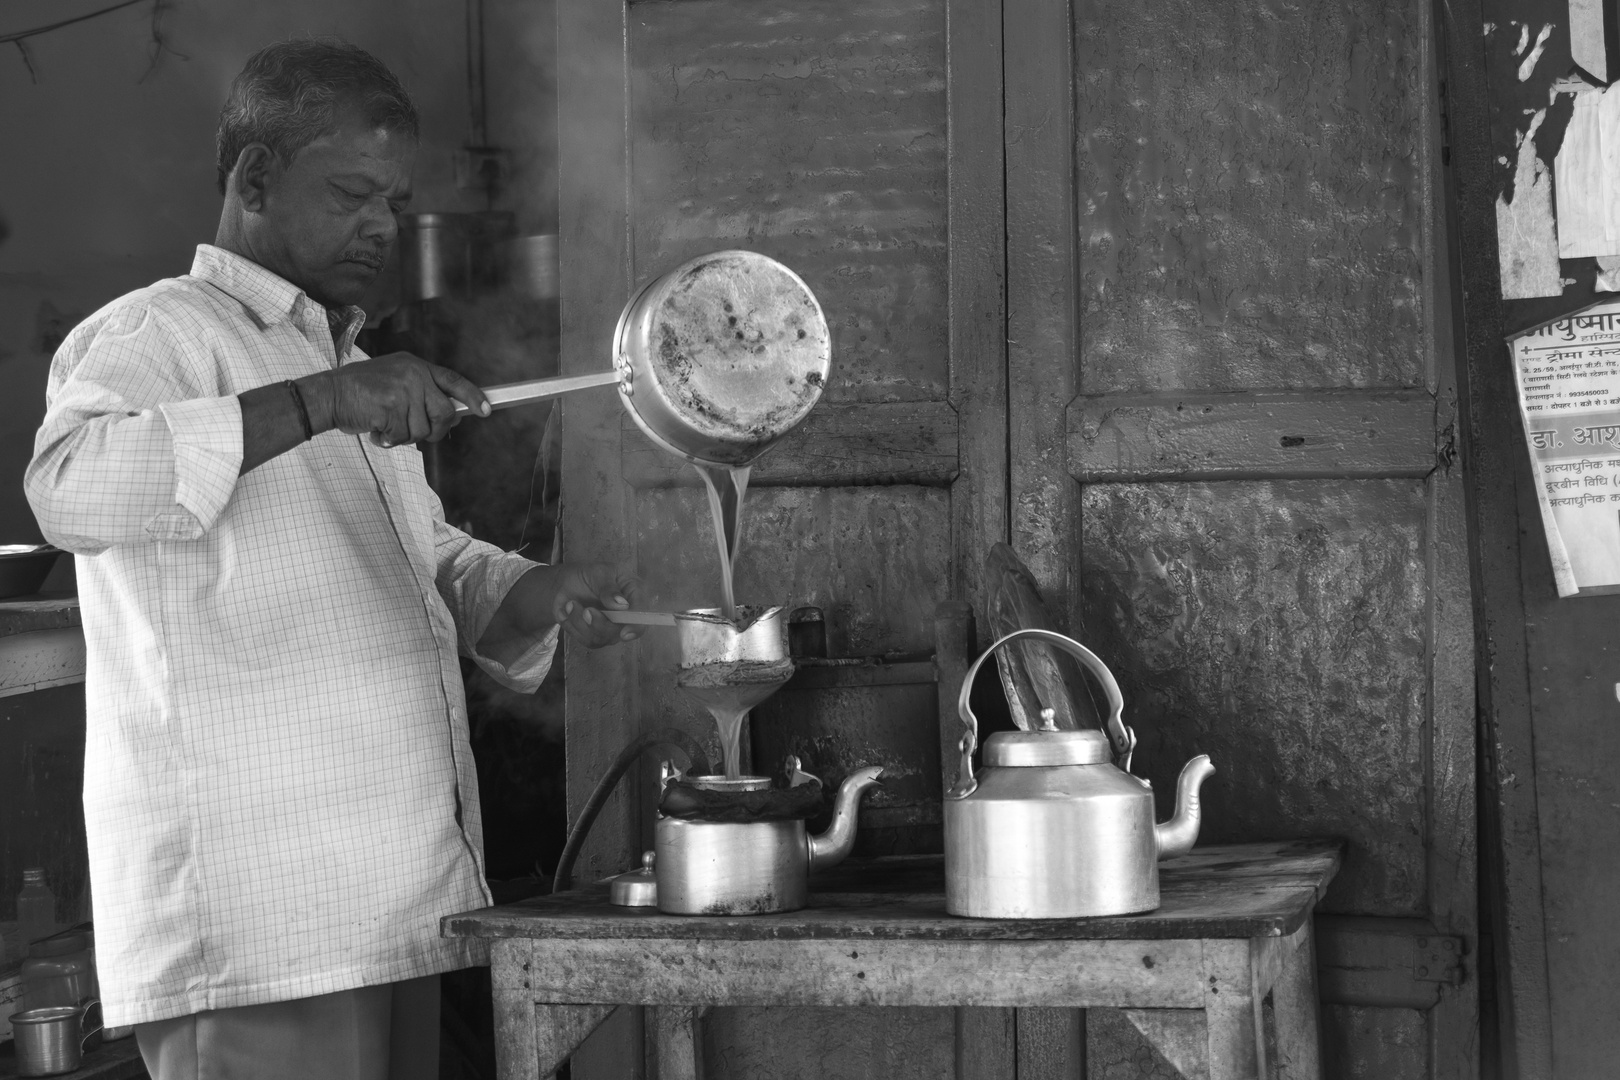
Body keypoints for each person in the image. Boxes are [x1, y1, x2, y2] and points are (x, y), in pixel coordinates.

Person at [25, 40, 635, 1080]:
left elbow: (416, 561)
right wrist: (322, 406)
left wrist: (528, 590)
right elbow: (69, 486)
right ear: (255, 179)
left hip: (391, 910)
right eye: (353, 193)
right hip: (264, 933)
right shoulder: (152, 334)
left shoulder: (343, 359)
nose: (381, 228)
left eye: (393, 203)